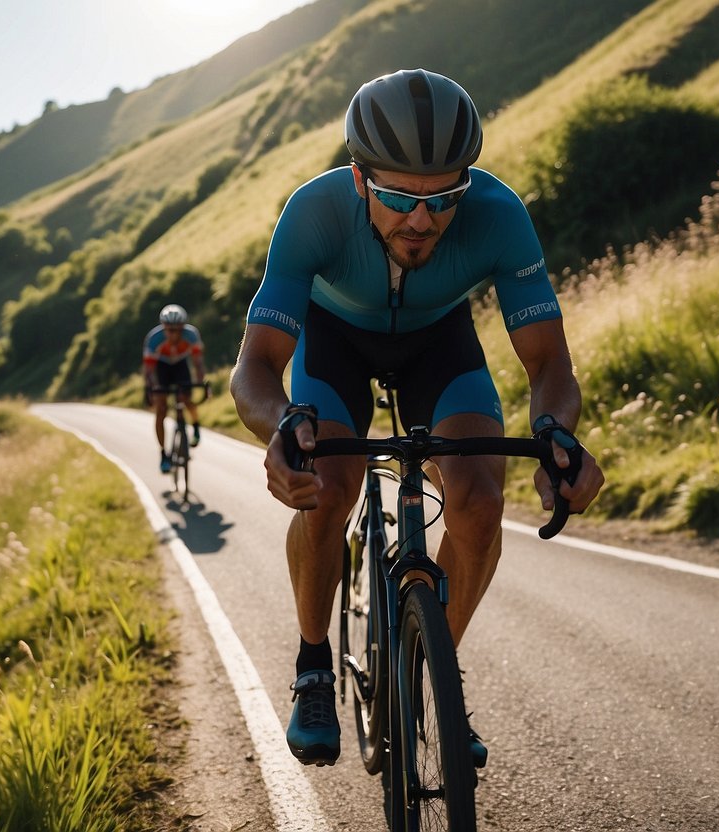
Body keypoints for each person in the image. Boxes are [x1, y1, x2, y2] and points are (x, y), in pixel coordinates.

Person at [229, 68, 605, 767]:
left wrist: (555, 433)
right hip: (333, 339)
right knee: (328, 485)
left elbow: (550, 365)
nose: (422, 220)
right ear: (360, 178)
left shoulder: (498, 212)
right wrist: (281, 423)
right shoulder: (312, 212)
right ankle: (313, 665)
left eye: (444, 197)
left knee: (478, 500)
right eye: (399, 196)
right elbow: (253, 369)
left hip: (439, 342)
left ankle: (435, 674)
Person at [143, 303, 208, 473]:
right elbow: (149, 371)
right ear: (163, 327)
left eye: (177, 330)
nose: (173, 334)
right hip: (162, 367)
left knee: (187, 399)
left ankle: (194, 427)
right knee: (161, 410)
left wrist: (201, 381)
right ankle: (164, 454)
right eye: (169, 330)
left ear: (182, 327)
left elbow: (198, 363)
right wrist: (150, 388)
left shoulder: (191, 335)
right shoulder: (154, 339)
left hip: (180, 365)